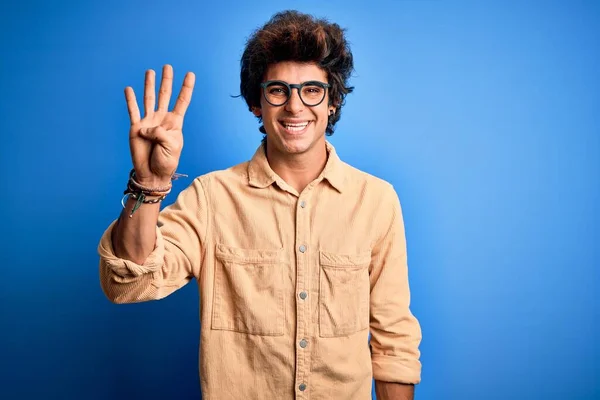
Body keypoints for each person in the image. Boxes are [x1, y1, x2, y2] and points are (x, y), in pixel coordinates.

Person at [98, 10, 422, 400]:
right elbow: (129, 283)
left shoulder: (376, 200)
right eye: (278, 90)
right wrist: (149, 183)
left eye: (312, 90)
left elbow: (393, 342)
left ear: (333, 100)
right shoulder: (211, 197)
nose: (295, 106)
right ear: (257, 103)